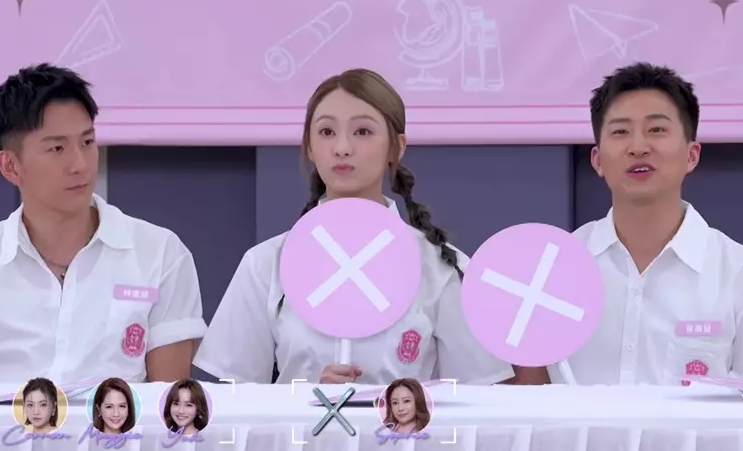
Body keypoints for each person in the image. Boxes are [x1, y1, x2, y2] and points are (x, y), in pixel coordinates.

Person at [193, 68, 516, 386]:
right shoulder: (265, 263)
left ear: (397, 147)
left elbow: (477, 395)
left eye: (362, 131)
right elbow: (238, 396)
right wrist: (307, 400)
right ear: (309, 146)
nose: (342, 148)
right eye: (326, 132)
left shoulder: (441, 267)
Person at [0, 64, 206, 385]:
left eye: (87, 142)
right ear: (11, 166)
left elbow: (170, 404)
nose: (80, 164)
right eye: (57, 148)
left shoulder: (160, 254)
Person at [541, 62, 743, 386]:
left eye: (657, 130)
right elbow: (522, 394)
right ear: (597, 160)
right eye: (620, 132)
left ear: (692, 155)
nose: (638, 147)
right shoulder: (553, 269)